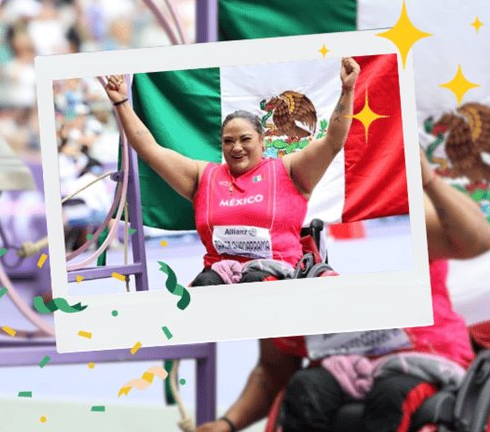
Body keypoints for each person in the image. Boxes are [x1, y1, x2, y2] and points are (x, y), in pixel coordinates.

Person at [181, 0, 490, 432]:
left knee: (389, 402)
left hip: (422, 355)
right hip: (341, 364)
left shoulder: (390, 221)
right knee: (303, 395)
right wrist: (229, 426)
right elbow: (274, 366)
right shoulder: (277, 256)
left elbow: (476, 241)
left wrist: (427, 180)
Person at [104, 57, 360, 282]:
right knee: (205, 286)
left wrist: (347, 89)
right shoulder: (203, 176)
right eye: (228, 141)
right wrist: (122, 103)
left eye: (245, 139)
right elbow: (150, 149)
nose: (236, 148)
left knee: (257, 280)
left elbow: (333, 142)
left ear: (262, 141)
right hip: (218, 276)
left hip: (276, 275)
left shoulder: (290, 171)